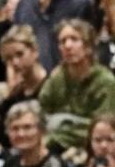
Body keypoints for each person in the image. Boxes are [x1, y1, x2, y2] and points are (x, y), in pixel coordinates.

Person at [41, 20, 115, 151]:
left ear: (88, 47)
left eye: (74, 39)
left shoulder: (105, 82)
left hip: (91, 149)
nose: (68, 45)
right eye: (63, 41)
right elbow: (41, 113)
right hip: (53, 145)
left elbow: (103, 128)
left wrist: (60, 133)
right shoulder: (56, 78)